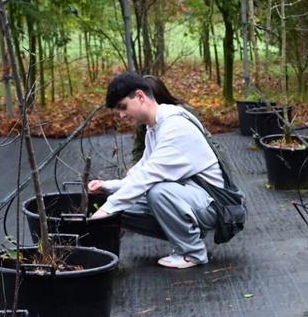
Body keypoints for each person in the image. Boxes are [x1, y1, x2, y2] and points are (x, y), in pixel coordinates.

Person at [88, 71, 227, 269]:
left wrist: (105, 210)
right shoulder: (154, 128)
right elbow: (142, 171)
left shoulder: (174, 128)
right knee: (122, 210)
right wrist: (107, 187)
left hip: (214, 203)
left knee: (156, 192)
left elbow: (147, 177)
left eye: (123, 107)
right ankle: (186, 238)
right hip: (192, 197)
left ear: (140, 96)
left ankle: (193, 253)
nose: (121, 115)